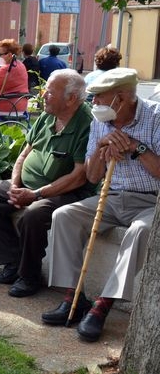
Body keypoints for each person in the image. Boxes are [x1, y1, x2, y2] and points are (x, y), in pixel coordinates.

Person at [42, 68, 160, 342]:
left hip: (151, 201)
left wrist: (135, 147)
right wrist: (101, 148)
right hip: (112, 196)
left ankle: (103, 305)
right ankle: (74, 297)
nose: (93, 103)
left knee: (140, 232)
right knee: (64, 216)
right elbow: (93, 176)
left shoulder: (155, 117)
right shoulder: (100, 121)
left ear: (123, 97)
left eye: (99, 98)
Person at [0, 70, 94, 297]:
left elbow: (79, 176)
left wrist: (37, 194)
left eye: (49, 92)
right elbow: (23, 154)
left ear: (70, 99)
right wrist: (14, 185)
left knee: (34, 214)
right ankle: (13, 263)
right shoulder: (48, 116)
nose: (42, 95)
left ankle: (29, 276)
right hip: (28, 187)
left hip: (66, 191)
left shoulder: (86, 125)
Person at [0, 39, 30, 117]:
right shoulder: (20, 65)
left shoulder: (7, 69)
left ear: (9, 55)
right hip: (21, 107)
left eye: (0, 54)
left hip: (6, 107)